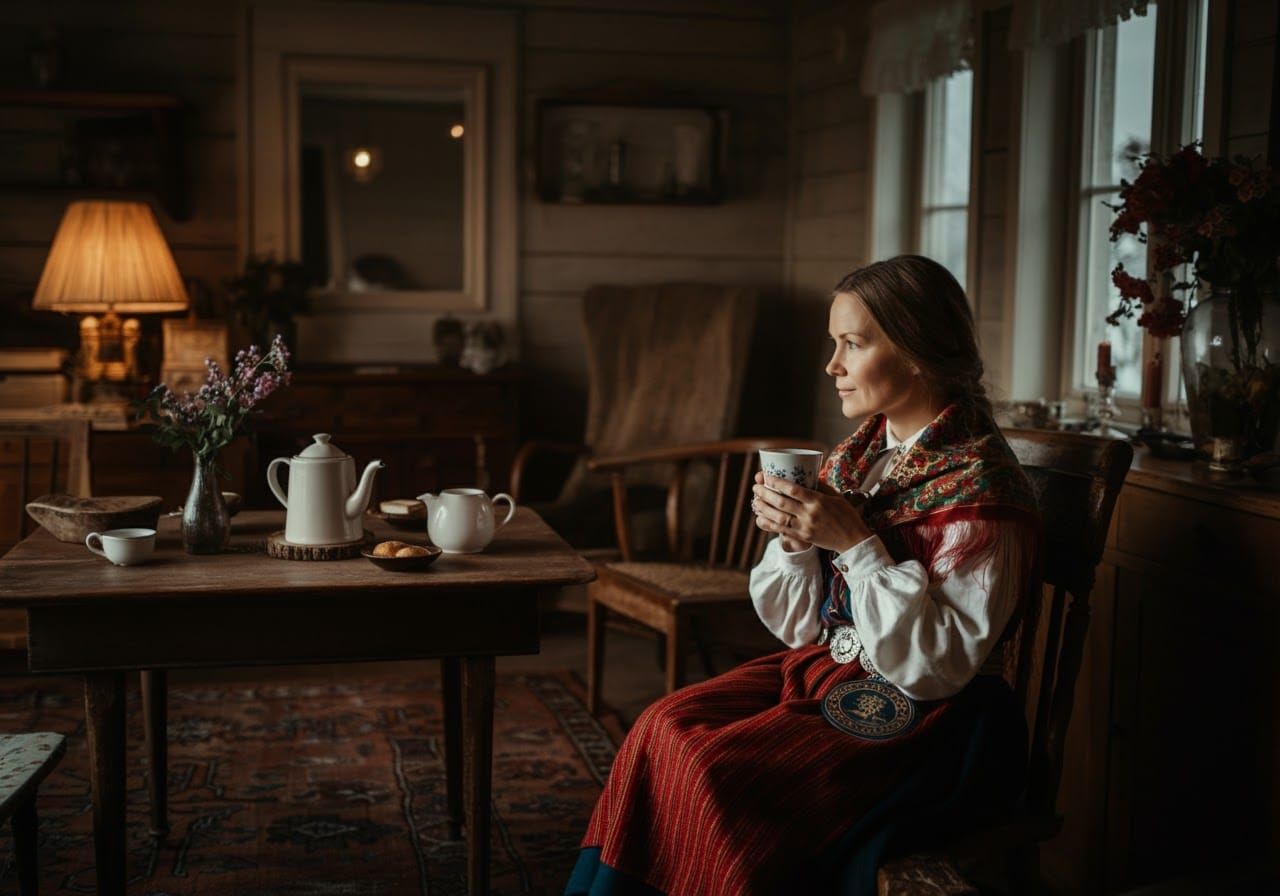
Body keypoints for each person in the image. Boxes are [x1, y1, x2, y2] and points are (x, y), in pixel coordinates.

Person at [566, 255, 1041, 896]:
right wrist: (794, 541)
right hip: (829, 666)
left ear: (919, 352)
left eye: (852, 343)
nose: (833, 366)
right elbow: (797, 628)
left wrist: (855, 542)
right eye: (833, 343)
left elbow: (939, 666)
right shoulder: (860, 458)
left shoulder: (983, 486)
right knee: (662, 726)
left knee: (712, 767)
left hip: (931, 719)